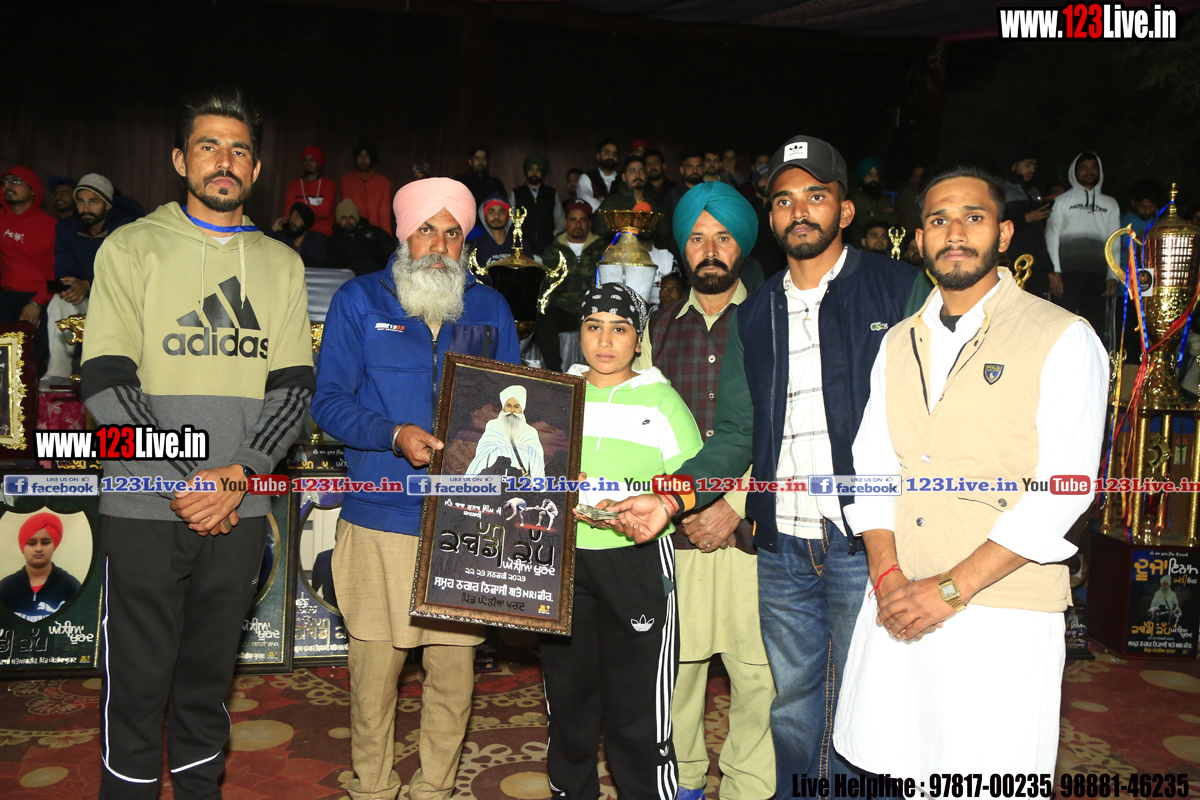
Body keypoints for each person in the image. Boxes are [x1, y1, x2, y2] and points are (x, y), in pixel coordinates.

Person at [605, 134, 932, 789]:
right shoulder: (755, 317)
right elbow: (734, 436)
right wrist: (670, 497)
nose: (799, 210)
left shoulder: (899, 289)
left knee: (867, 707)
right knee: (793, 713)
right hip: (781, 549)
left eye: (816, 195)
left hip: (866, 543)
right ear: (772, 217)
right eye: (784, 200)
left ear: (845, 210)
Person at [832, 162, 1107, 778]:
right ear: (919, 238)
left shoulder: (1062, 336)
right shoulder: (897, 341)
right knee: (903, 768)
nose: (954, 232)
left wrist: (950, 589)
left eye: (973, 217)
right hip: (901, 598)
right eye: (938, 220)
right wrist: (888, 577)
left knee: (986, 779)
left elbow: (1065, 490)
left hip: (1002, 607)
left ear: (1004, 234)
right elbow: (872, 466)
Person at [81, 88, 315, 798]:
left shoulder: (281, 264)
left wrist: (237, 475)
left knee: (208, 682)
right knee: (136, 683)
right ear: (182, 160)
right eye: (209, 146)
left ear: (257, 168)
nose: (225, 160)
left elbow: (293, 392)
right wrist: (190, 480)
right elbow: (105, 384)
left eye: (239, 150)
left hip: (239, 507)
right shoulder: (131, 246)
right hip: (145, 503)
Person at [311, 177, 519, 800]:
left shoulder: (490, 308)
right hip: (379, 517)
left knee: (453, 678)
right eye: (426, 229)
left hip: (464, 523)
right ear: (404, 234)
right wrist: (392, 432)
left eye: (453, 233)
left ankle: (435, 789)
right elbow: (328, 402)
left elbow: (516, 404)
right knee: (374, 677)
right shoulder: (358, 300)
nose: (439, 245)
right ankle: (373, 788)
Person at [642, 180, 776, 800]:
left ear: (742, 246)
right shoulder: (655, 329)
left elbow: (790, 427)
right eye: (697, 238)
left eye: (723, 237)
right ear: (682, 249)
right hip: (678, 526)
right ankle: (685, 784)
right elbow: (642, 428)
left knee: (759, 674)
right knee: (676, 668)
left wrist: (733, 505)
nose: (711, 249)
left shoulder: (773, 318)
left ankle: (750, 788)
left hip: (751, 525)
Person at [542, 282, 702, 800]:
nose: (605, 341)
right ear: (580, 334)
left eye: (620, 328)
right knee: (568, 701)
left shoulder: (661, 400)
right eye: (594, 327)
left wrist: (655, 499)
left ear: (638, 338)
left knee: (638, 710)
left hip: (635, 564)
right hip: (562, 563)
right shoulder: (555, 394)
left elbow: (693, 481)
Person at [48, 173, 139, 379]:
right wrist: (71, 285)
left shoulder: (126, 228)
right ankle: (58, 374)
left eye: (94, 202)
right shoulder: (67, 227)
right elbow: (64, 266)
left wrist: (88, 283)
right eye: (81, 201)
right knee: (60, 302)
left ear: (107, 205)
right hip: (86, 301)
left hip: (118, 304)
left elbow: (127, 273)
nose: (86, 208)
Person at [1045, 151, 1121, 341]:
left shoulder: (1110, 204)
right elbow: (1051, 237)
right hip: (1066, 275)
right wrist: (1055, 271)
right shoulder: (1061, 201)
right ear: (1075, 171)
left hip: (1097, 275)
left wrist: (1113, 275)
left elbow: (1114, 240)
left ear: (1099, 171)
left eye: (1093, 167)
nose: (1089, 171)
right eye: (1084, 168)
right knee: (1062, 326)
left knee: (1094, 329)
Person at [536, 200, 606, 372]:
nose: (578, 224)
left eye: (583, 220)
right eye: (574, 219)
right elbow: (550, 283)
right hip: (563, 308)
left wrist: (568, 280)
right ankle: (555, 373)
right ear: (566, 223)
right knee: (545, 321)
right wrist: (587, 282)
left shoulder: (603, 248)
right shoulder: (553, 250)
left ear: (589, 223)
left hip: (593, 307)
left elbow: (608, 280)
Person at [0, 167, 57, 366]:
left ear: (33, 190)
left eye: (16, 181)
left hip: (44, 295)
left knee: (31, 357)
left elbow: (61, 273)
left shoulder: (52, 226)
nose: (8, 185)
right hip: (8, 295)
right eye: (5, 182)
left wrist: (36, 303)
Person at [0, 512, 81, 622]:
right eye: (32, 543)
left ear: (54, 545)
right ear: (23, 546)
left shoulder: (70, 586)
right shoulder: (5, 587)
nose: (38, 548)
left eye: (45, 542)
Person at [1002, 145, 1054, 298]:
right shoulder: (1002, 190)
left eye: (1034, 166)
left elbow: (1041, 234)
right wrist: (1025, 218)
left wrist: (1049, 268)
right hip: (1012, 261)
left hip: (1037, 264)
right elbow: (996, 225)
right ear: (1014, 165)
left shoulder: (1034, 192)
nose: (1032, 170)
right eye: (1028, 165)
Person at [465, 385, 546, 477]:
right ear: (504, 407)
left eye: (516, 406)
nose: (512, 410)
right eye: (508, 406)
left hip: (519, 480)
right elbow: (483, 452)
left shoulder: (530, 432)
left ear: (521, 408)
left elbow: (537, 461)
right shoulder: (493, 426)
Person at [594, 156, 670, 251]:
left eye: (642, 171)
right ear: (624, 177)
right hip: (620, 254)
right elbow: (599, 232)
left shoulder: (656, 202)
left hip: (652, 254)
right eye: (632, 171)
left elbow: (665, 235)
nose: (638, 175)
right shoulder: (612, 202)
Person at [509, 152, 564, 257]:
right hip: (522, 249)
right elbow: (509, 221)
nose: (534, 173)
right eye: (531, 170)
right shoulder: (516, 193)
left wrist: (553, 238)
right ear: (526, 171)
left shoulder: (551, 193)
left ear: (542, 172)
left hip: (548, 250)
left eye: (538, 170)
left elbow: (560, 221)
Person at [328, 199, 395, 276]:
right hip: (348, 278)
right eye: (344, 217)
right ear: (338, 220)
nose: (348, 221)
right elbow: (332, 266)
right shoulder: (334, 240)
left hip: (376, 276)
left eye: (351, 217)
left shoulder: (375, 232)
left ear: (357, 218)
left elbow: (392, 251)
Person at [283, 146, 338, 236]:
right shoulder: (293, 186)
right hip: (297, 233)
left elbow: (325, 210)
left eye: (312, 160)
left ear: (319, 163)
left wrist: (300, 210)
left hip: (321, 234)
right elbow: (289, 212)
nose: (308, 163)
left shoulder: (329, 185)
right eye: (305, 160)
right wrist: (316, 209)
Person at [341, 140, 393, 236]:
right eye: (360, 156)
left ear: (372, 158)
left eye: (367, 156)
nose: (363, 160)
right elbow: (348, 209)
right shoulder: (347, 180)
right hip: (354, 231)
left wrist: (387, 236)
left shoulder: (383, 182)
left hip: (376, 232)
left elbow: (384, 214)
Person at [846, 157, 897, 248]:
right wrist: (883, 215)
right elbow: (860, 220)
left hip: (882, 247)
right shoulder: (854, 198)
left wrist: (872, 214)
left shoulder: (884, 198)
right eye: (870, 175)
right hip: (860, 248)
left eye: (876, 175)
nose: (874, 178)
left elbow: (894, 219)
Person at [271, 202, 329, 268]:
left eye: (297, 217)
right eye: (292, 216)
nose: (293, 220)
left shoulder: (318, 239)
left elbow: (320, 263)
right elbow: (264, 248)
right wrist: (274, 229)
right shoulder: (283, 237)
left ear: (306, 221)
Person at [470, 193, 515, 269]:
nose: (496, 216)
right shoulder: (473, 246)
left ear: (508, 216)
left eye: (501, 212)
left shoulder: (521, 245)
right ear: (485, 216)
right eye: (491, 212)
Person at [578, 138, 621, 212]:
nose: (611, 156)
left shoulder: (622, 179)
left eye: (614, 154)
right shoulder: (586, 178)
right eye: (607, 153)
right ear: (598, 156)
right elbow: (586, 201)